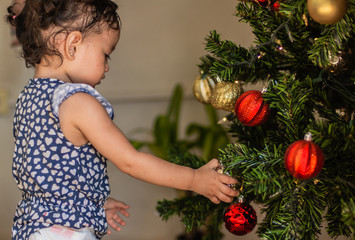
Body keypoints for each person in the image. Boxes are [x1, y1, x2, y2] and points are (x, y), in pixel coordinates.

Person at [6, 0, 239, 239]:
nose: (106, 67)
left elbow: (51, 175)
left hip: (35, 229)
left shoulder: (29, 98)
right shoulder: (77, 102)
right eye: (105, 54)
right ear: (73, 45)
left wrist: (89, 208)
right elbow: (131, 162)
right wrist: (194, 180)